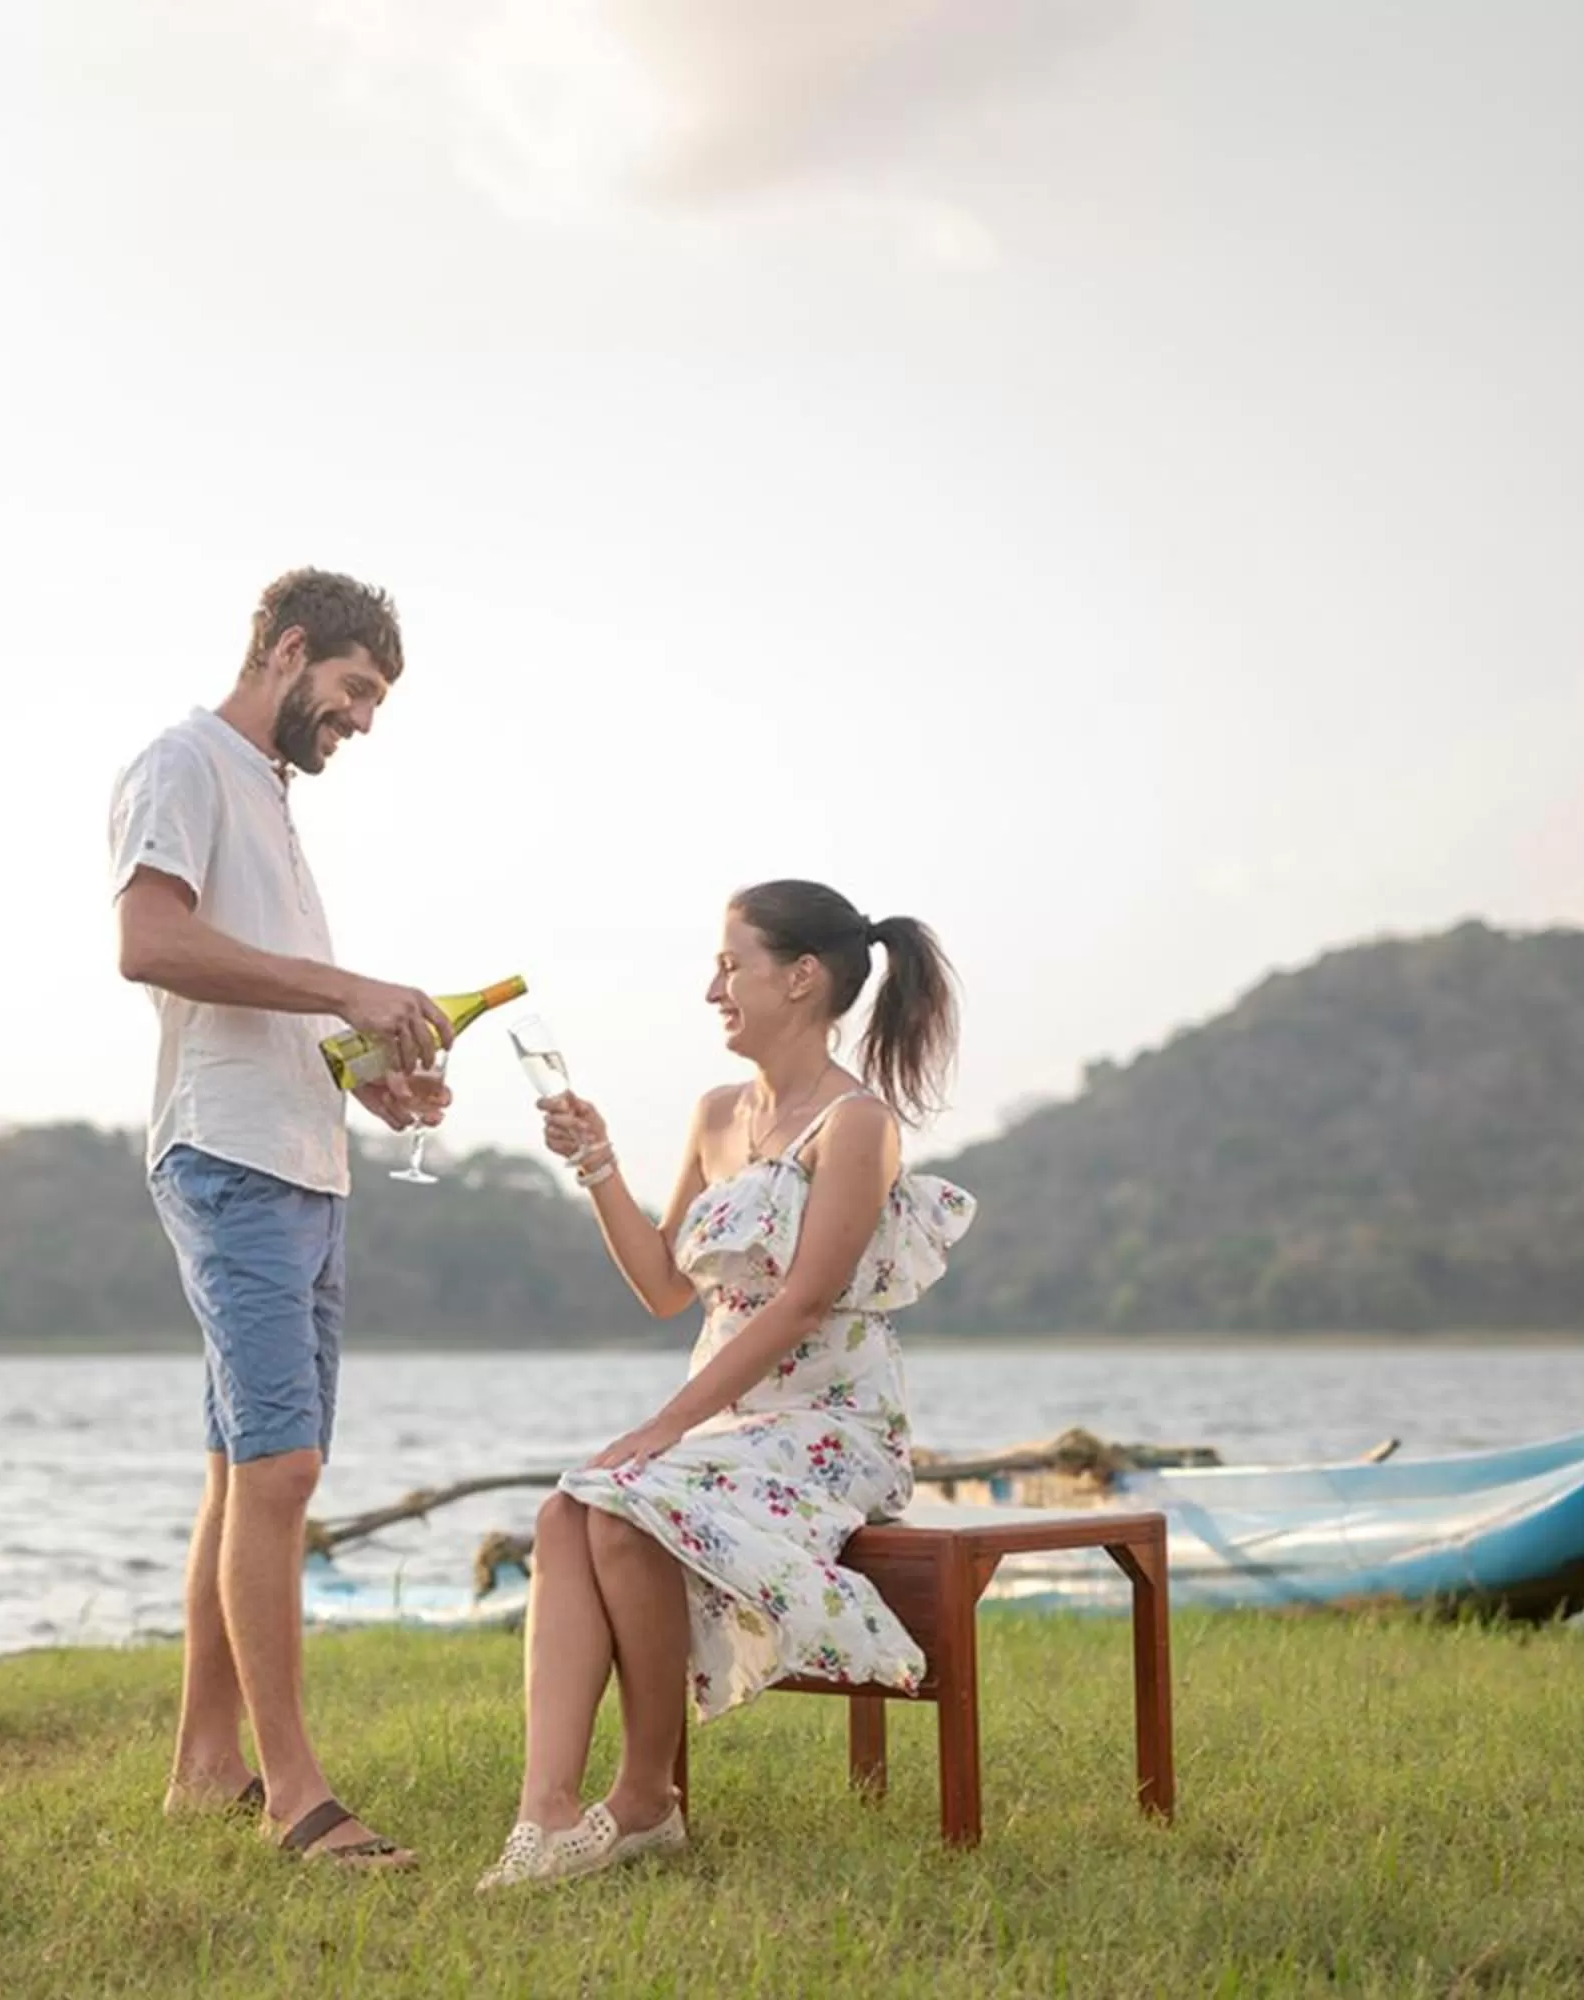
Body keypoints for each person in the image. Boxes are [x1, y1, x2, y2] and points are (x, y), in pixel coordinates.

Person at [475, 879, 976, 1891]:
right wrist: (599, 1163)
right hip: (728, 1420)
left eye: (729, 962)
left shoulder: (858, 1125)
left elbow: (799, 1305)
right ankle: (544, 1813)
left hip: (828, 1423)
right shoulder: (715, 1115)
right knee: (567, 1511)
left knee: (618, 1510)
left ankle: (646, 1796)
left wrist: (656, 1430)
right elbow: (667, 1287)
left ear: (799, 977)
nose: (713, 986)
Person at [108, 567, 452, 1872]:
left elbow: (278, 1016)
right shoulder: (185, 762)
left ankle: (205, 1768)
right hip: (232, 1163)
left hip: (301, 1161)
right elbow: (150, 942)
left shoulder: (269, 801)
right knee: (282, 1471)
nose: (361, 719)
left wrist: (375, 1076)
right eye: (356, 690)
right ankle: (299, 1800)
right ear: (292, 649)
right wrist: (344, 984)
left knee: (243, 1467)